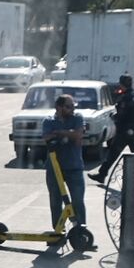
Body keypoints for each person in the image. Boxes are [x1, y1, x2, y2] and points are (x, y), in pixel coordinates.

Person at [41, 93, 88, 235]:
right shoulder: (48, 121)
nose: (72, 109)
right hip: (54, 169)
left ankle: (80, 233)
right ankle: (58, 231)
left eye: (73, 106)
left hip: (74, 167)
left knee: (77, 201)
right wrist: (69, 133)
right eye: (68, 107)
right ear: (59, 107)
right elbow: (46, 138)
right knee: (55, 201)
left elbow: (78, 136)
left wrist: (60, 132)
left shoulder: (77, 118)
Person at [89, 73, 134, 184]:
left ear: (122, 84)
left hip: (124, 131)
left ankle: (102, 174)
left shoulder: (124, 97)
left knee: (113, 153)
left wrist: (114, 117)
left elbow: (122, 114)